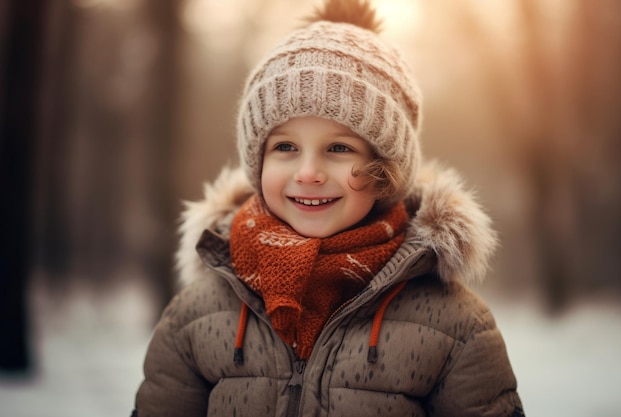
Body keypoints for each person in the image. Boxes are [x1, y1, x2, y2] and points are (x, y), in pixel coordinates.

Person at [131, 0, 525, 416]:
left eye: (339, 148)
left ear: (386, 169)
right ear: (257, 162)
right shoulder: (196, 317)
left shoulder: (455, 325)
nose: (309, 172)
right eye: (285, 147)